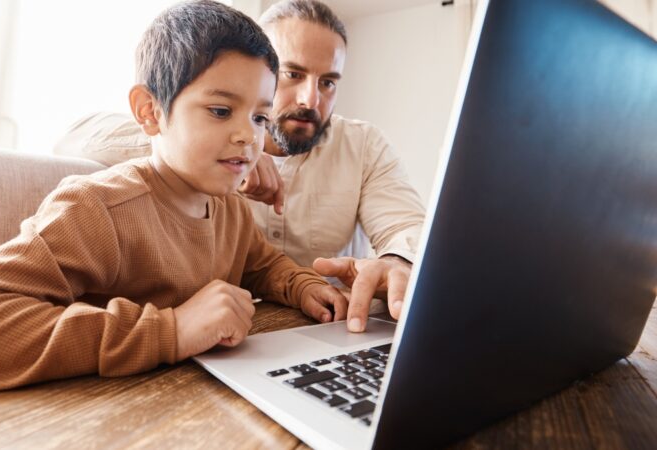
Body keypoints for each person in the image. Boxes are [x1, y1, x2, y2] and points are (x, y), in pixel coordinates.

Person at [0, 0, 347, 394]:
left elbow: (262, 264)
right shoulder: (96, 208)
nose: (247, 137)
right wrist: (169, 332)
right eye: (220, 110)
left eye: (259, 117)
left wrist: (303, 286)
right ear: (150, 112)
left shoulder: (229, 206)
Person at [55, 0, 426, 332]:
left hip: (291, 332)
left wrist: (396, 262)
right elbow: (73, 135)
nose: (311, 99)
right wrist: (221, 147)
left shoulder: (362, 145)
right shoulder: (103, 203)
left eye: (328, 82)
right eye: (293, 74)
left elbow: (404, 226)